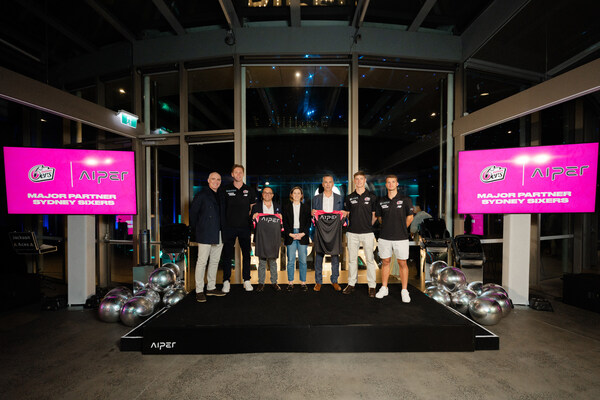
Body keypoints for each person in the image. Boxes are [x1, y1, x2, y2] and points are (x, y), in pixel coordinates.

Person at [375, 175, 414, 302]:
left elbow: (410, 217)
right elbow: (380, 218)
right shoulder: (381, 201)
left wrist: (401, 228)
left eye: (393, 182)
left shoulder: (406, 199)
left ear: (397, 184)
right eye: (388, 182)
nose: (391, 184)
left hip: (401, 237)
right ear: (386, 185)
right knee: (385, 262)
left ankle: (404, 290)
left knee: (402, 263)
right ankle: (384, 288)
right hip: (385, 237)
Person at [219, 164, 257, 292]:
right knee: (227, 255)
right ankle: (226, 281)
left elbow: (252, 208)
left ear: (243, 174)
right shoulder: (225, 189)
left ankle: (246, 280)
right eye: (236, 172)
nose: (238, 174)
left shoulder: (249, 190)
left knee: (246, 254)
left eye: (240, 172)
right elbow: (222, 209)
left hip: (245, 227)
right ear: (232, 174)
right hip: (229, 227)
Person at [189, 172, 226, 302]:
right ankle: (199, 290)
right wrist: (196, 231)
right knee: (202, 262)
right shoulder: (201, 195)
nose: (216, 181)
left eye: (218, 179)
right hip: (205, 232)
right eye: (213, 179)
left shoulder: (221, 195)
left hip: (219, 232)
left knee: (215, 261)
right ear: (208, 180)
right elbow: (193, 214)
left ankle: (211, 287)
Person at [343, 171, 378, 297]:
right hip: (352, 233)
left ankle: (372, 286)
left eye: (361, 179)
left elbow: (374, 215)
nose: (359, 181)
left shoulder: (372, 197)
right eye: (356, 179)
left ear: (364, 180)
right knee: (352, 260)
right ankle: (351, 284)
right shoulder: (349, 197)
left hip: (367, 233)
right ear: (354, 181)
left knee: (370, 260)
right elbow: (347, 215)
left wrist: (368, 225)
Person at [311, 175, 345, 292]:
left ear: (333, 184)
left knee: (335, 257)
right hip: (321, 230)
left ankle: (334, 281)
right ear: (322, 184)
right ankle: (318, 282)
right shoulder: (316, 199)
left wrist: (343, 215)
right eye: (325, 182)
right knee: (319, 256)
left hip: (334, 231)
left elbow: (343, 215)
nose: (328, 184)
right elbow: (314, 217)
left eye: (330, 182)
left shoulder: (339, 198)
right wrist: (313, 213)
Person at [251, 187, 282, 292]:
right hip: (261, 238)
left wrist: (281, 217)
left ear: (272, 195)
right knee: (262, 261)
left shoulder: (278, 207)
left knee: (273, 261)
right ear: (262, 195)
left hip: (273, 238)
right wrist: (253, 217)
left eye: (269, 193)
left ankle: (274, 282)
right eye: (265, 192)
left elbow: (281, 222)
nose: (267, 194)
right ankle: (261, 283)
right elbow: (251, 222)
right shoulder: (256, 207)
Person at [282, 186, 311, 292]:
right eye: (294, 193)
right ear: (291, 195)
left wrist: (302, 233)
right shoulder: (286, 207)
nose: (296, 195)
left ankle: (303, 283)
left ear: (301, 195)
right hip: (291, 234)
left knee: (303, 261)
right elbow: (284, 222)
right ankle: (290, 283)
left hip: (302, 234)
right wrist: (290, 234)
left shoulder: (306, 207)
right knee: (290, 261)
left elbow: (308, 222)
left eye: (299, 193)